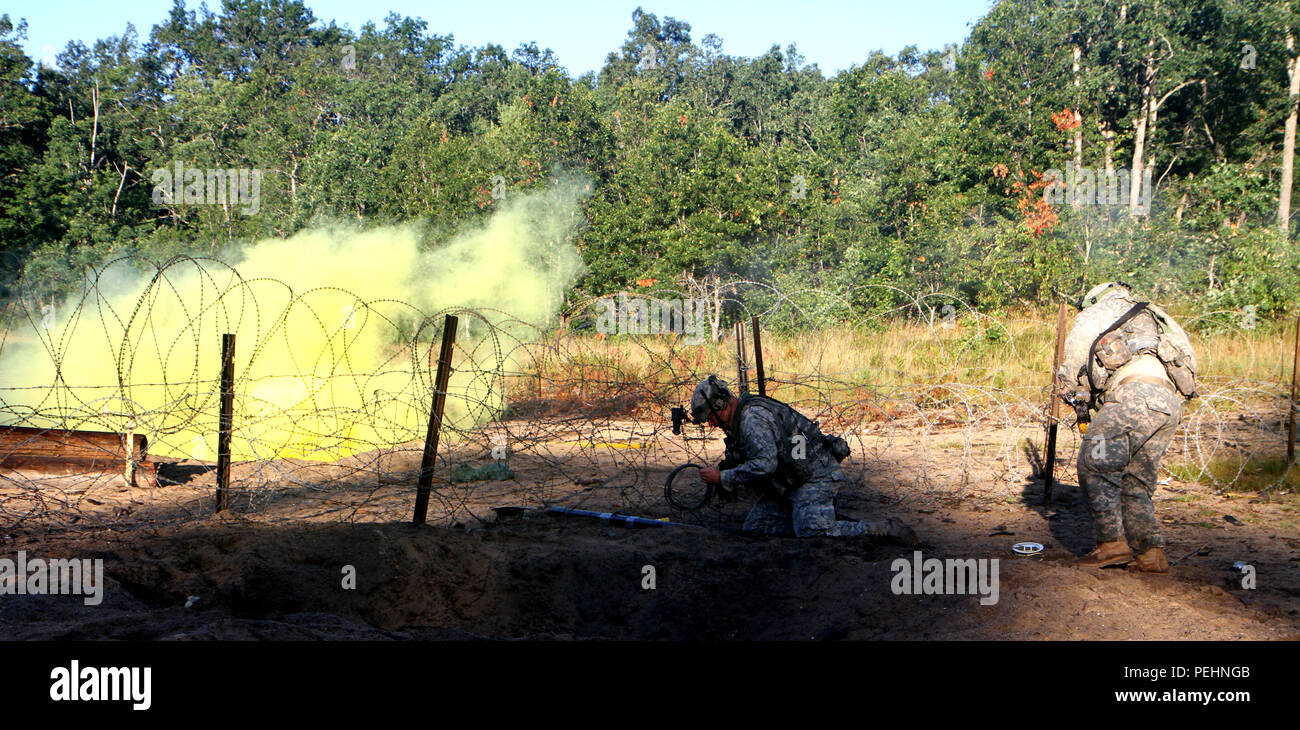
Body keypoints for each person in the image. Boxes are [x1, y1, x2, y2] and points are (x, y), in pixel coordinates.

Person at [1055, 282, 1199, 573]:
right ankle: (1150, 553)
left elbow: (1074, 358)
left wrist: (1069, 389)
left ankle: (1111, 545)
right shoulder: (1156, 314)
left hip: (1133, 396)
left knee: (1093, 462)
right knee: (1136, 481)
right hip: (1167, 403)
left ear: (1091, 299)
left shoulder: (1096, 313)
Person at [689, 374, 917, 544]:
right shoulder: (743, 417)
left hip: (814, 477)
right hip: (790, 481)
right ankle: (813, 516)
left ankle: (882, 528)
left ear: (721, 406)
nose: (711, 424)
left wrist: (723, 477)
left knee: (812, 533)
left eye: (710, 418)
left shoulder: (751, 419)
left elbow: (765, 465)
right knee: (756, 525)